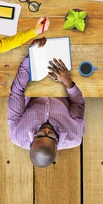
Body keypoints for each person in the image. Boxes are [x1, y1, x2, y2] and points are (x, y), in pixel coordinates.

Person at [8, 38, 86, 167]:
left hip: (35, 81)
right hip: (63, 83)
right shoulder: (74, 135)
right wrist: (68, 82)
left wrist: (31, 56)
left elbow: (16, 92)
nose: (46, 129)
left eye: (40, 134)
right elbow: (78, 104)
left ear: (32, 142)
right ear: (56, 147)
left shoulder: (18, 133)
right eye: (51, 135)